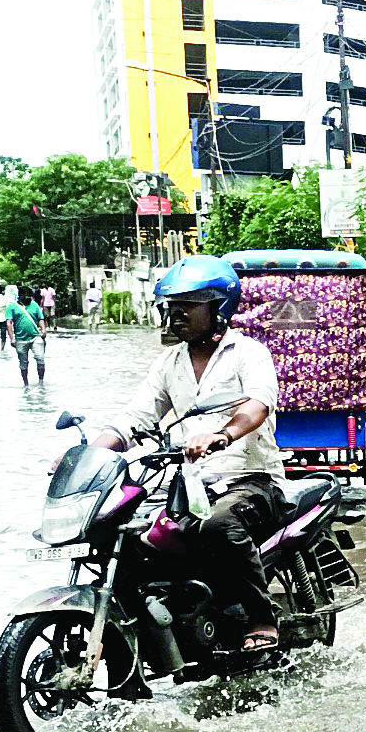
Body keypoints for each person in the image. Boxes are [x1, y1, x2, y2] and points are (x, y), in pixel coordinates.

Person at [96, 256, 286, 653]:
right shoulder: (169, 363)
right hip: (193, 487)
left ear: (219, 308)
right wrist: (90, 453)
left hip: (253, 480)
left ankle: (261, 617)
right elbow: (136, 415)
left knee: (219, 525)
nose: (175, 313)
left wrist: (222, 434)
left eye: (189, 304)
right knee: (130, 534)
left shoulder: (248, 353)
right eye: (171, 304)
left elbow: (258, 404)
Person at [7, 287, 47, 386]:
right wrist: (12, 338)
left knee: (40, 358)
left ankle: (41, 382)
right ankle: (26, 384)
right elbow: (9, 323)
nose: (29, 298)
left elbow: (40, 318)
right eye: (26, 296)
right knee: (23, 363)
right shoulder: (11, 307)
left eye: (30, 296)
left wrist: (43, 329)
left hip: (35, 337)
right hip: (20, 339)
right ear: (20, 296)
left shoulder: (34, 305)